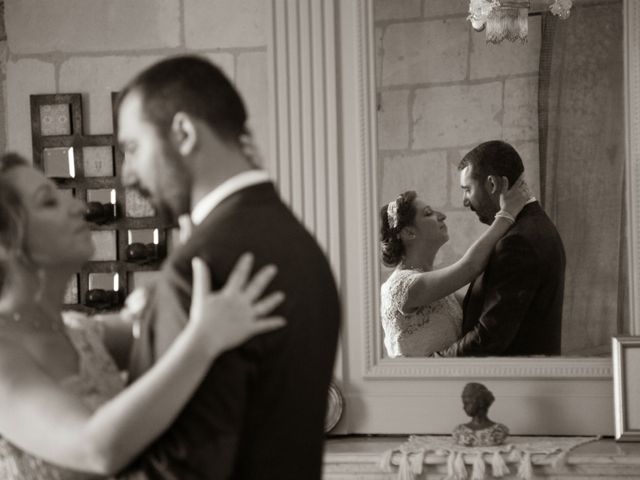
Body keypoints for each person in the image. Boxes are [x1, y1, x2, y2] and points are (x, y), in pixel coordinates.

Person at [115, 55, 341, 479]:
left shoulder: (200, 267)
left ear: (183, 133)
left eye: (132, 148)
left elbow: (178, 469)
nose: (128, 174)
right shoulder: (301, 247)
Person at [0, 152, 286, 479]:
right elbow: (95, 450)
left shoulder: (82, 334)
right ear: (6, 243)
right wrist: (203, 340)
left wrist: (195, 255)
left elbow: (158, 326)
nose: (79, 207)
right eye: (48, 203)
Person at [438, 140, 566, 356]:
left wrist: (436, 362)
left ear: (492, 185)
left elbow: (488, 337)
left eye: (467, 189)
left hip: (514, 383)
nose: (464, 201)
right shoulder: (533, 225)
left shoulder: (518, 243)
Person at [380, 180, 530, 357]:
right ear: (408, 233)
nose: (442, 216)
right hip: (419, 383)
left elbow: (479, 306)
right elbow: (470, 266)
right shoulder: (399, 286)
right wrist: (507, 214)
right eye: (428, 214)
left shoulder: (444, 294)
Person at [452, 382, 509, 446]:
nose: (464, 407)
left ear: (481, 402)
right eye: (464, 403)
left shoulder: (499, 430)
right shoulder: (459, 431)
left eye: (467, 403)